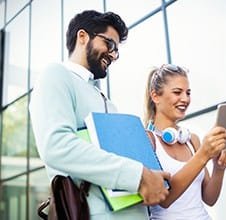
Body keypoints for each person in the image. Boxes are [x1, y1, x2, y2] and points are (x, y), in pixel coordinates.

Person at [29, 10, 170, 219]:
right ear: (83, 36)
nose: (113, 55)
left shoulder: (107, 102)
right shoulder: (56, 75)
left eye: (116, 51)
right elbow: (56, 145)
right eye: (110, 44)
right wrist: (138, 174)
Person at [144, 64, 226, 219]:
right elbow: (163, 199)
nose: (185, 99)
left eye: (188, 93)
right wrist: (203, 155)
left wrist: (219, 169)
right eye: (177, 92)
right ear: (155, 96)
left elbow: (209, 199)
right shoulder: (147, 140)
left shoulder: (192, 140)